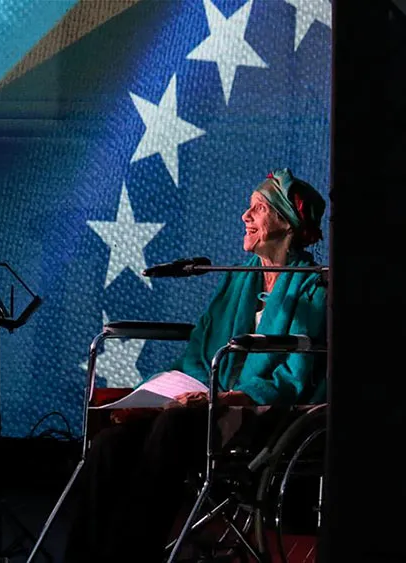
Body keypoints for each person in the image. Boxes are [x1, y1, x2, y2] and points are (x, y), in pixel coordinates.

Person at [62, 168, 328, 563]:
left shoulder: (313, 286)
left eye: (258, 208)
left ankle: (130, 555)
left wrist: (228, 395)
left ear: (286, 222)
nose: (245, 216)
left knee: (173, 426)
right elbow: (199, 352)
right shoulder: (238, 281)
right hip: (209, 399)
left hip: (265, 413)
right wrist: (170, 393)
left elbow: (295, 377)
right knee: (110, 444)